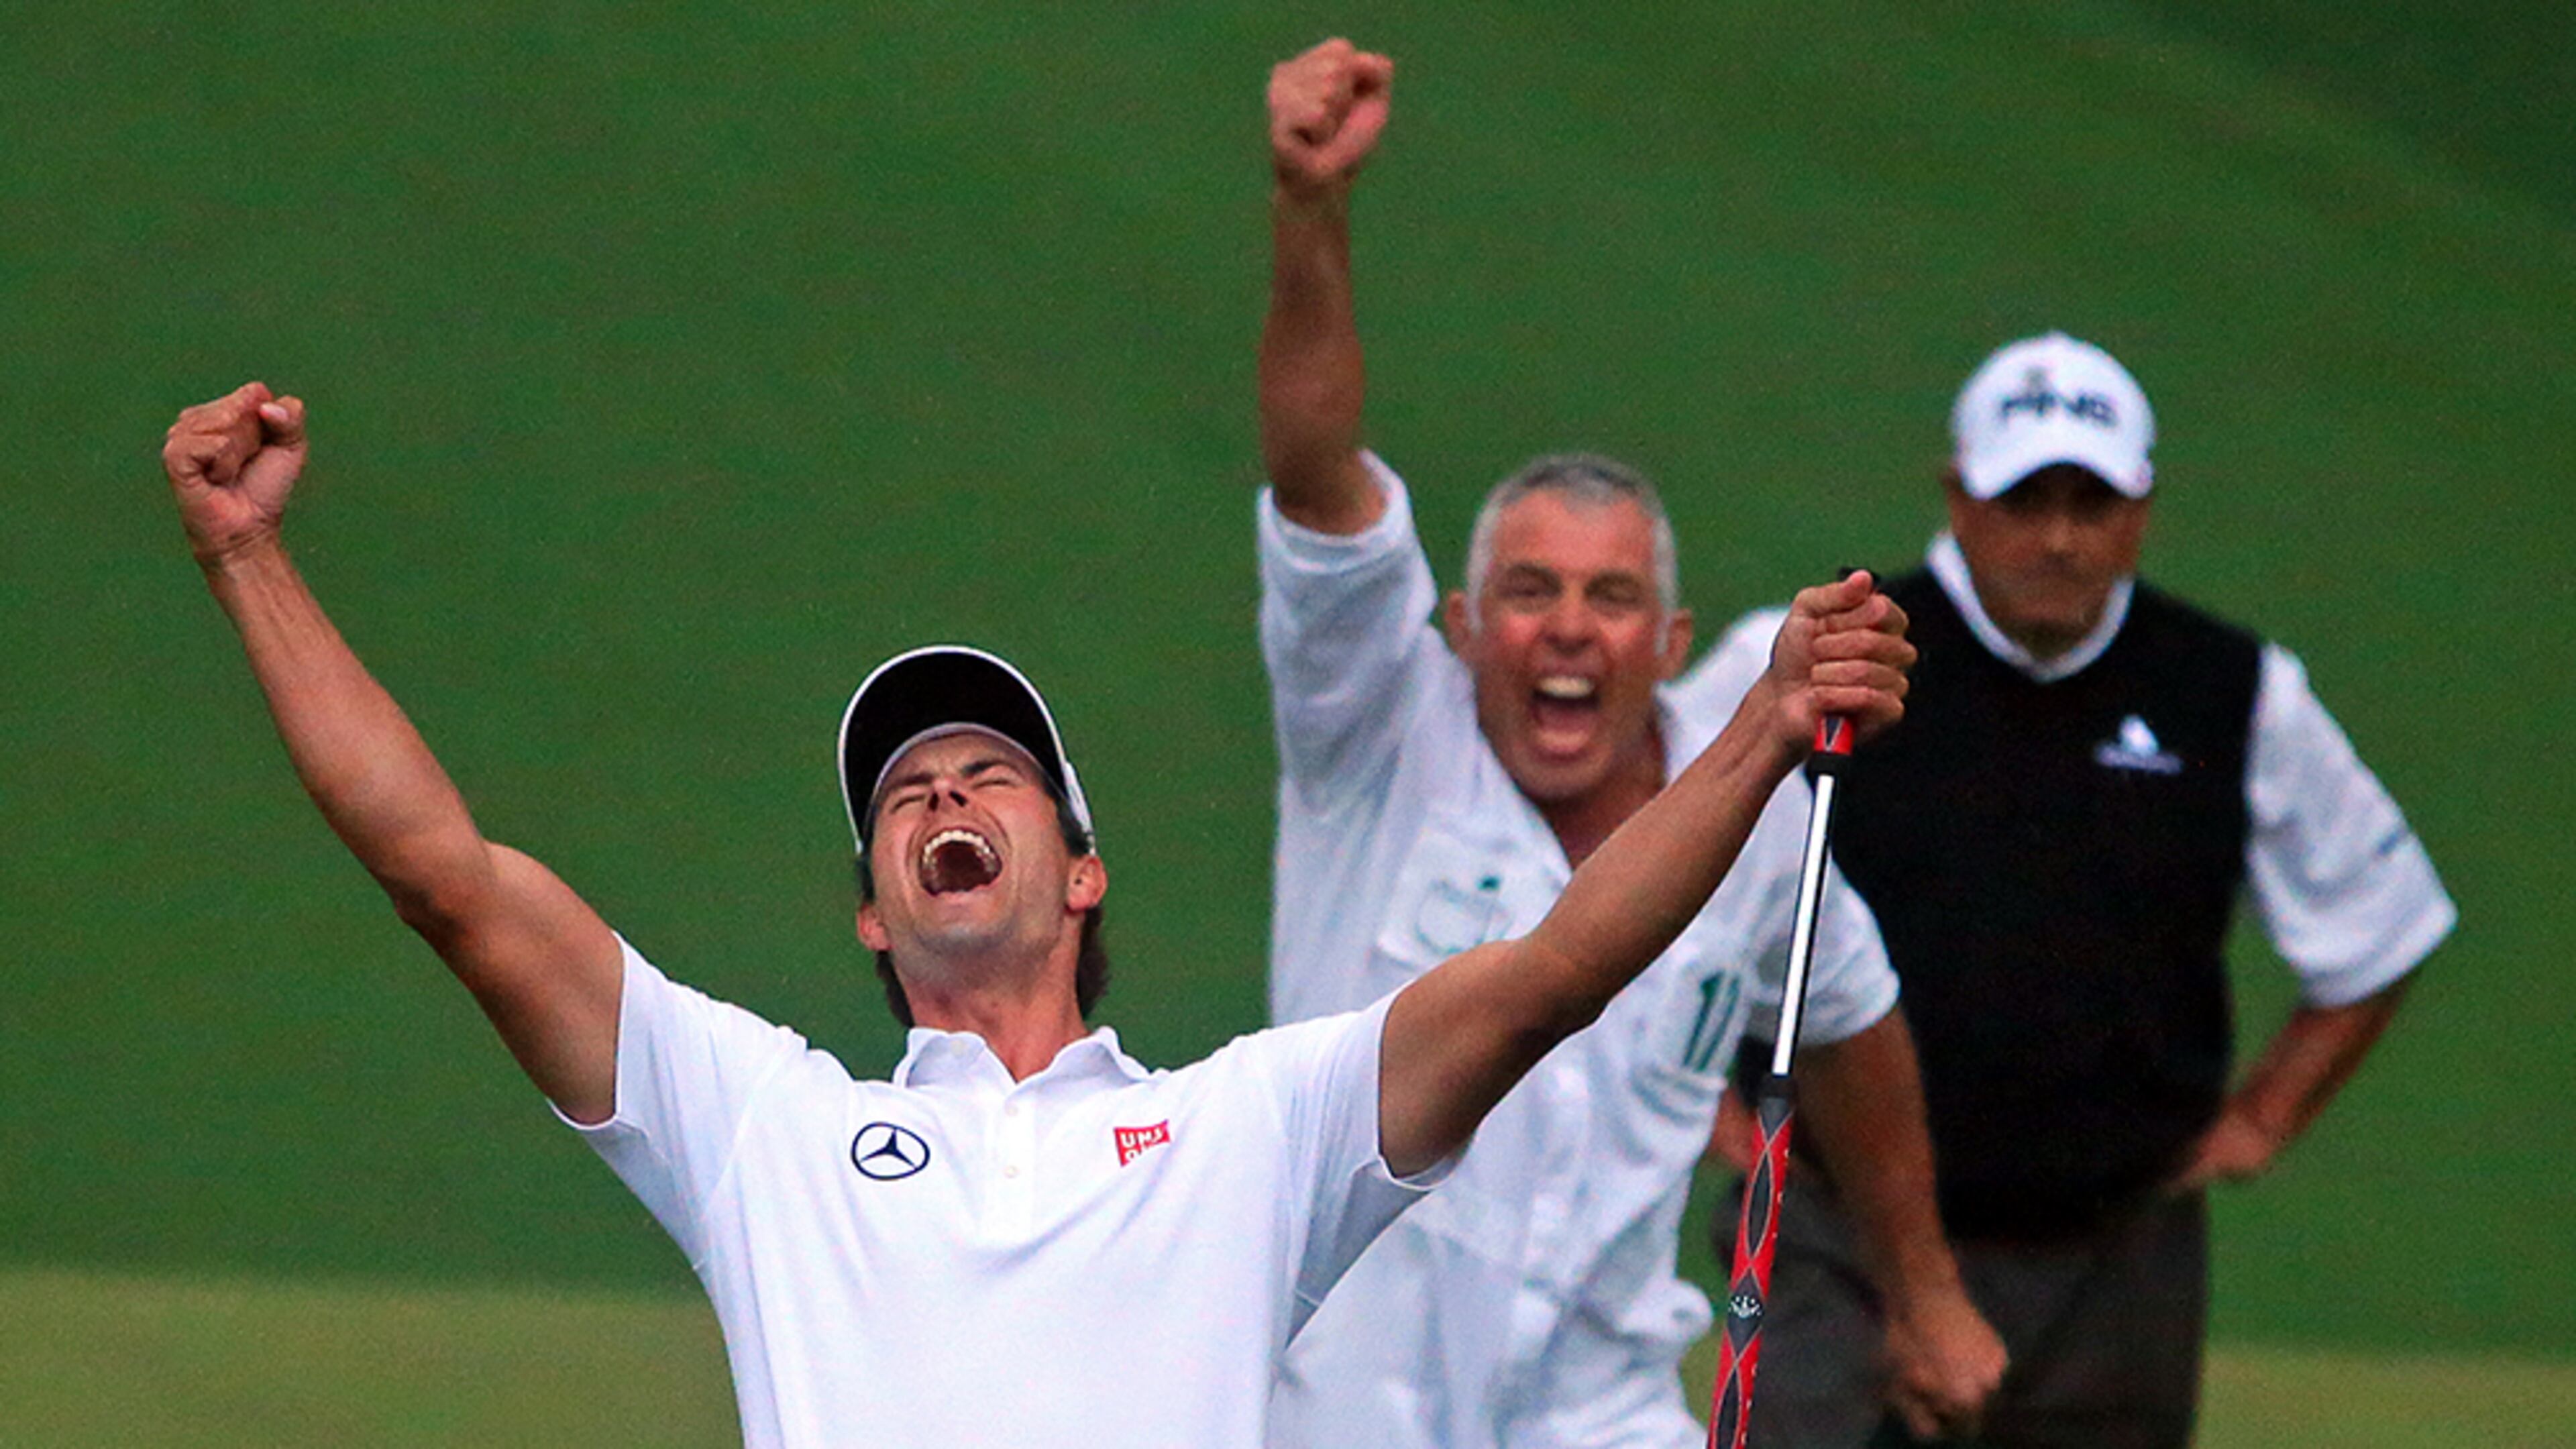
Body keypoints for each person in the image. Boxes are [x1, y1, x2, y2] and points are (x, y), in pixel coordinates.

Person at [160, 380, 1915, 1449]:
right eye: (903, 792)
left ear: (1081, 868)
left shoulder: (1257, 1129)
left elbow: (1558, 971)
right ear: (872, 917)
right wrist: (247, 559)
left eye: (990, 774)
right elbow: (447, 878)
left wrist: (1761, 734)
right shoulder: (767, 1128)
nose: (939, 795)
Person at [1254, 39, 2004, 1449]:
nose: (1569, 633)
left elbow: (1846, 1017)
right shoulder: (1371, 726)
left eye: (1613, 600)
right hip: (1334, 1409)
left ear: (1670, 643)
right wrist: (1310, 212)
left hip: (1600, 1415)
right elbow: (1313, 471)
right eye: (1529, 594)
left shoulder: (1765, 820)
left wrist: (1923, 1288)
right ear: (1466, 628)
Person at [1709, 332, 2457, 1447]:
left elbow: (2384, 924)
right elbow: (1647, 866)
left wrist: (2262, 1118)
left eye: (2092, 502)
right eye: (2025, 500)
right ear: (1960, 499)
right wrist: (1692, 1096)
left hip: (2113, 1268)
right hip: (1833, 1244)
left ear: (2142, 512)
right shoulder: (1826, 658)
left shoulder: (2232, 692)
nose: (2059, 537)